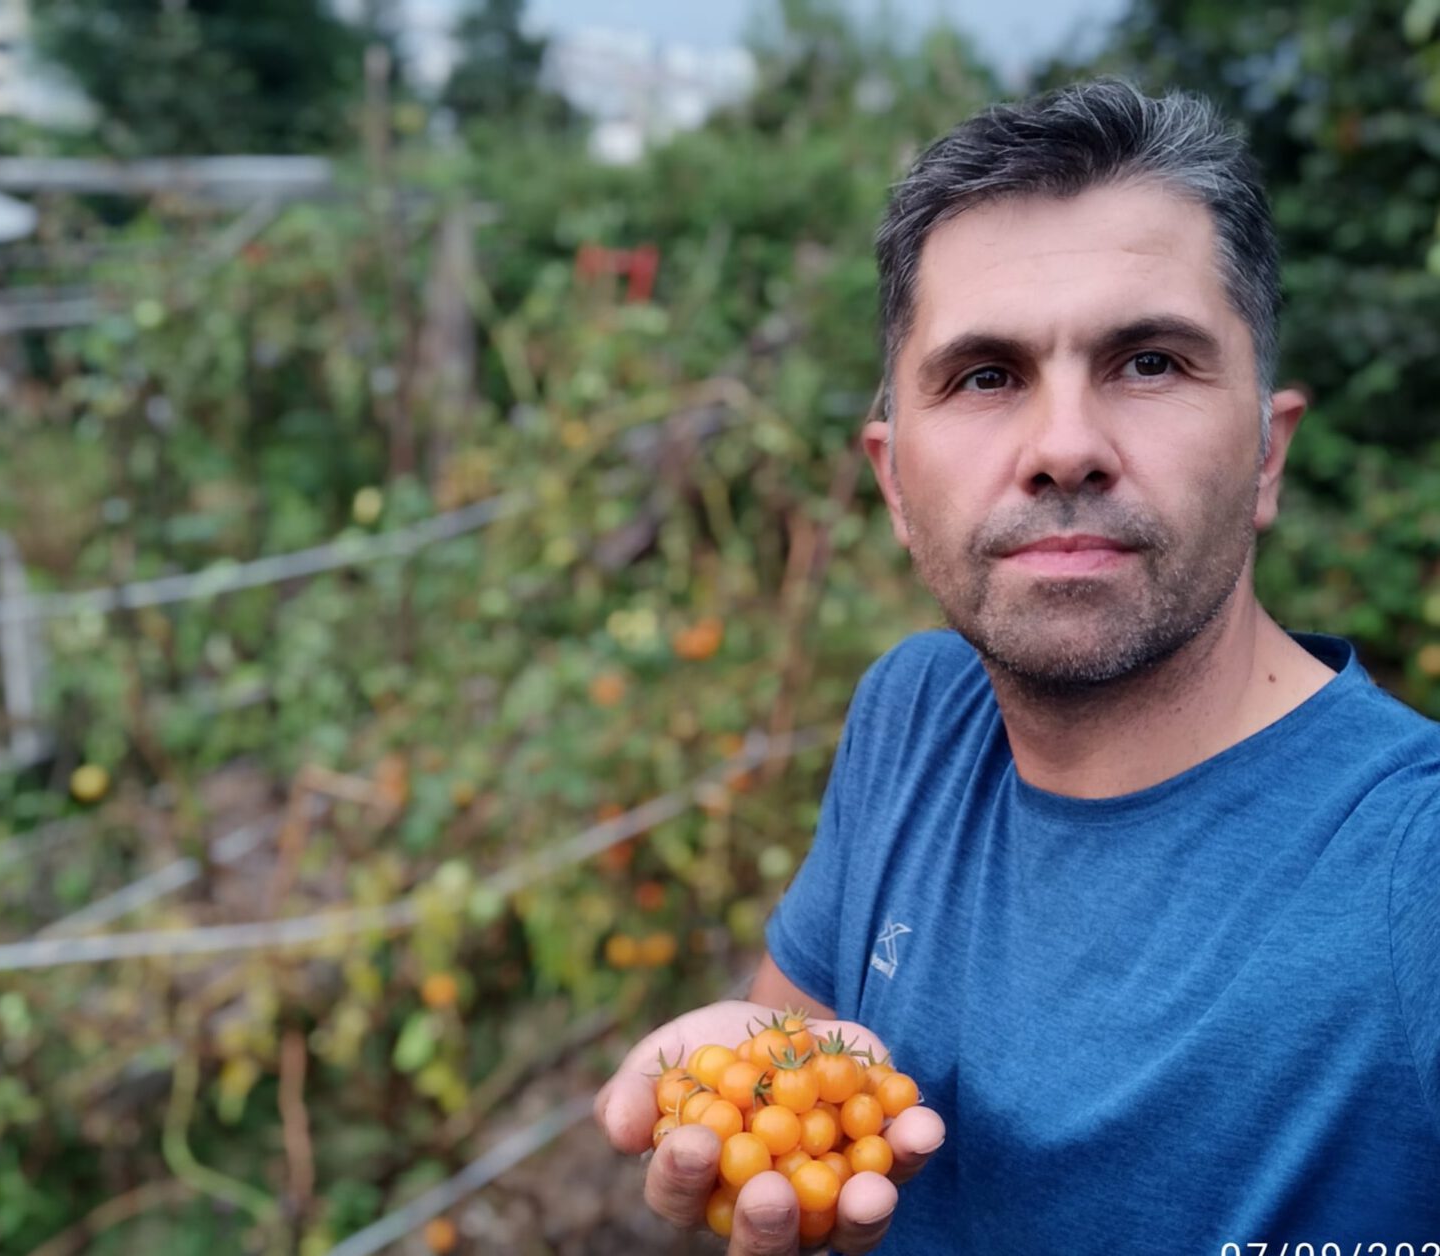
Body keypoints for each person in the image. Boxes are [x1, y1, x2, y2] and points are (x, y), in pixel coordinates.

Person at [594, 77, 1440, 1254]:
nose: (1063, 448)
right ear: (894, 481)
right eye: (986, 375)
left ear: (1266, 453)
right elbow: (798, 1040)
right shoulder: (915, 715)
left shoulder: (1410, 876)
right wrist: (737, 1081)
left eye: (1148, 361)